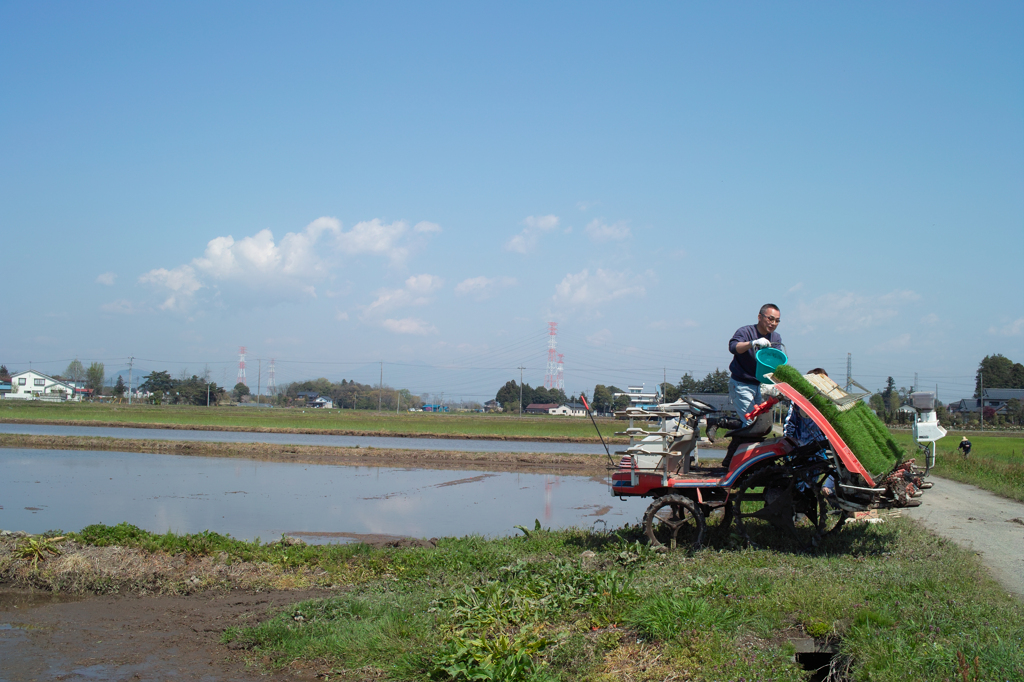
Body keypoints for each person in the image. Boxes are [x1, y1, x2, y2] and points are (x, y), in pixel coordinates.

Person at [782, 368, 836, 496]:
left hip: (818, 451)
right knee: (799, 482)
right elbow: (790, 424)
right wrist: (787, 445)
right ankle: (796, 510)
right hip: (801, 450)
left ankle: (807, 505)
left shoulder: (827, 403)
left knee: (813, 484)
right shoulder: (799, 402)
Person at [728, 303, 782, 425]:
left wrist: (774, 383)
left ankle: (725, 425)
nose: (773, 323)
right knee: (751, 421)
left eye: (777, 321)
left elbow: (777, 360)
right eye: (770, 319)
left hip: (759, 385)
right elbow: (733, 347)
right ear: (760, 317)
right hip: (741, 384)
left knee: (760, 423)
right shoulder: (746, 332)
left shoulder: (775, 337)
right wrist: (752, 343)